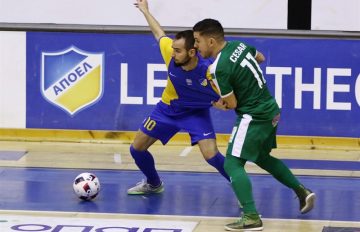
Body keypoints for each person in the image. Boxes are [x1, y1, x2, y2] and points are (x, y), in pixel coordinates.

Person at [193, 18, 316, 231]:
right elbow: (260, 57)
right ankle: (302, 191)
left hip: (253, 115)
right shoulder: (239, 46)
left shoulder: (219, 68)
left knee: (232, 163)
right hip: (271, 110)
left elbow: (231, 104)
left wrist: (217, 103)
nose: (195, 46)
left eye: (197, 41)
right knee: (261, 157)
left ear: (211, 41)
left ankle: (251, 217)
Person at [128, 0, 230, 195]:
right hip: (168, 109)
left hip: (196, 113)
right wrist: (145, 11)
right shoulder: (170, 53)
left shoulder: (209, 71)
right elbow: (159, 33)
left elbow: (227, 100)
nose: (173, 53)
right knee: (137, 149)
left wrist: (221, 105)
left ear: (192, 52)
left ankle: (241, 187)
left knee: (211, 155)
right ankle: (154, 184)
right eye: (173, 49)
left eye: (178, 51)